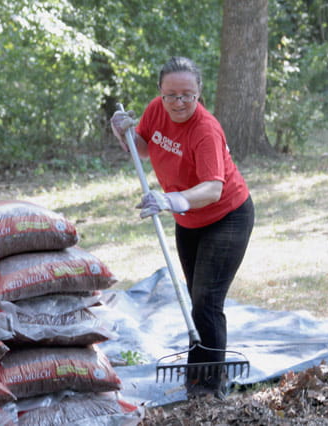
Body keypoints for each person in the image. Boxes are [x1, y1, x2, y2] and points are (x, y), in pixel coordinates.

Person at [110, 56, 255, 399]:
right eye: (171, 94)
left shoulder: (205, 129)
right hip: (188, 220)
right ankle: (198, 378)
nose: (178, 103)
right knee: (197, 299)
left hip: (227, 217)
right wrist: (123, 133)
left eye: (187, 95)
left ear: (199, 93)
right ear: (160, 92)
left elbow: (213, 188)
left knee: (207, 300)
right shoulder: (156, 111)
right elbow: (144, 150)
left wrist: (168, 200)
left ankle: (208, 388)